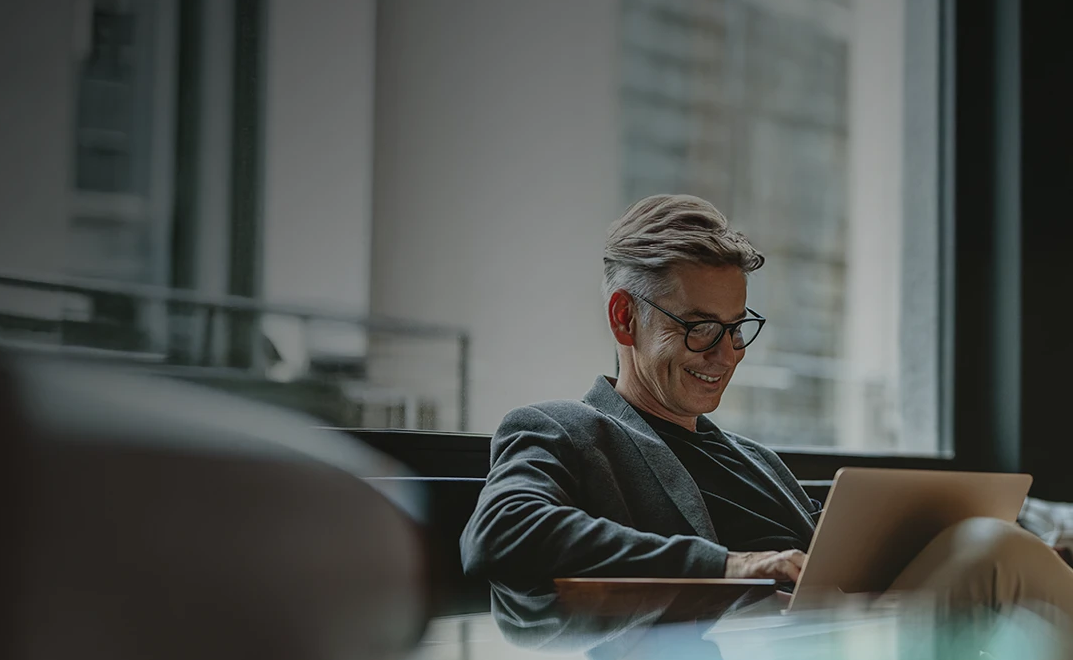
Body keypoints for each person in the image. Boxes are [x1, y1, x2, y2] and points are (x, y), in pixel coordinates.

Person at [460, 194, 1073, 627]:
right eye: (700, 328)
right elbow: (503, 533)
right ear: (625, 317)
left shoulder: (756, 461)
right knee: (994, 554)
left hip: (861, 636)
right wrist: (730, 566)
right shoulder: (563, 429)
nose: (727, 354)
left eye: (736, 328)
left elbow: (838, 545)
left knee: (1013, 592)